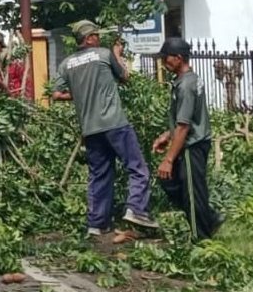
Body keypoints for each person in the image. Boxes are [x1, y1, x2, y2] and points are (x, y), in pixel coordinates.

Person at [52, 20, 159, 236]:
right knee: (137, 168)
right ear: (89, 38)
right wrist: (117, 54)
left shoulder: (66, 64)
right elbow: (124, 77)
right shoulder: (103, 54)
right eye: (96, 35)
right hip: (114, 123)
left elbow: (56, 94)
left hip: (90, 128)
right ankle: (137, 209)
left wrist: (81, 94)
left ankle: (97, 224)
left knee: (100, 174)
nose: (99, 38)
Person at [152, 38, 224, 240]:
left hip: (192, 146)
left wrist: (168, 159)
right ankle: (210, 218)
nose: (164, 62)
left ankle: (201, 239)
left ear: (178, 58)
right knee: (170, 182)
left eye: (166, 58)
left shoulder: (185, 86)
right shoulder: (189, 79)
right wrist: (168, 135)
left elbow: (184, 126)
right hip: (190, 142)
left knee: (192, 193)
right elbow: (185, 118)